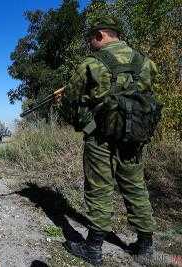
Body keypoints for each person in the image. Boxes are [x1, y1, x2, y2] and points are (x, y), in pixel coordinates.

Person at [59, 16, 158, 266]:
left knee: (99, 188)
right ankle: (145, 246)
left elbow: (71, 101)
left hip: (101, 137)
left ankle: (93, 249)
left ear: (101, 36)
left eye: (91, 38)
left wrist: (83, 122)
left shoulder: (91, 64)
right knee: (135, 185)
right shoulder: (145, 63)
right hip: (135, 136)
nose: (90, 43)